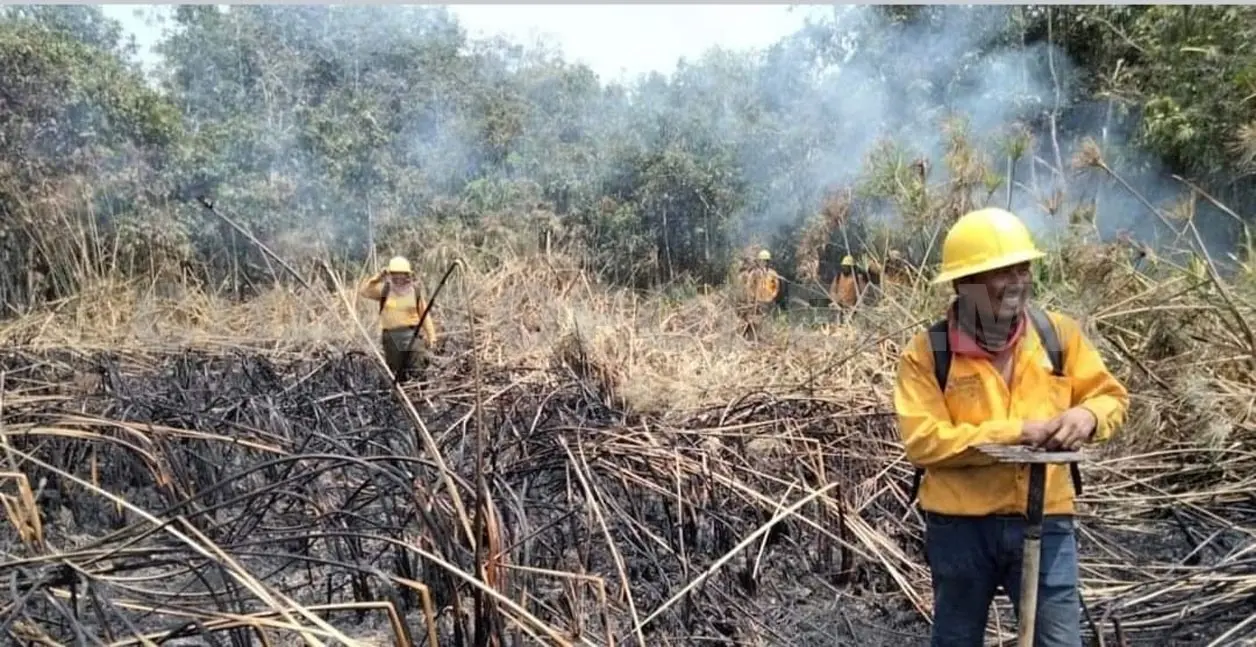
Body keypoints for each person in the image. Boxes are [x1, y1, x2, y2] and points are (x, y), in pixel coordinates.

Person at [893, 207, 1129, 647]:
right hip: (960, 528)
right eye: (1001, 272)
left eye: (1022, 267)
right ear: (964, 284)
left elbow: (1110, 396)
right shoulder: (928, 353)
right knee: (956, 639)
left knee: (1058, 641)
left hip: (1046, 516)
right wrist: (1015, 432)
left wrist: (1088, 415)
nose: (1017, 281)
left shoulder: (1058, 335)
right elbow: (924, 442)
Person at [359, 255, 438, 382]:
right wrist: (378, 276)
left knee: (418, 370)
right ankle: (400, 397)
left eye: (403, 275)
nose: (399, 278)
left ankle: (419, 396)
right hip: (391, 337)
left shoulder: (415, 292)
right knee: (396, 374)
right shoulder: (384, 290)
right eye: (395, 274)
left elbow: (425, 316)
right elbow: (364, 291)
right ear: (390, 275)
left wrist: (432, 336)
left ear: (408, 275)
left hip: (412, 335)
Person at [739, 249, 781, 340]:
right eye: (761, 261)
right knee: (755, 320)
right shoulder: (754, 273)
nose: (763, 263)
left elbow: (776, 287)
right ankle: (753, 337)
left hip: (768, 301)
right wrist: (753, 297)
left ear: (768, 262)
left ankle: (767, 336)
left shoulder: (772, 274)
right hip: (757, 301)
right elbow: (749, 286)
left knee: (767, 319)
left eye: (765, 261)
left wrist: (772, 296)